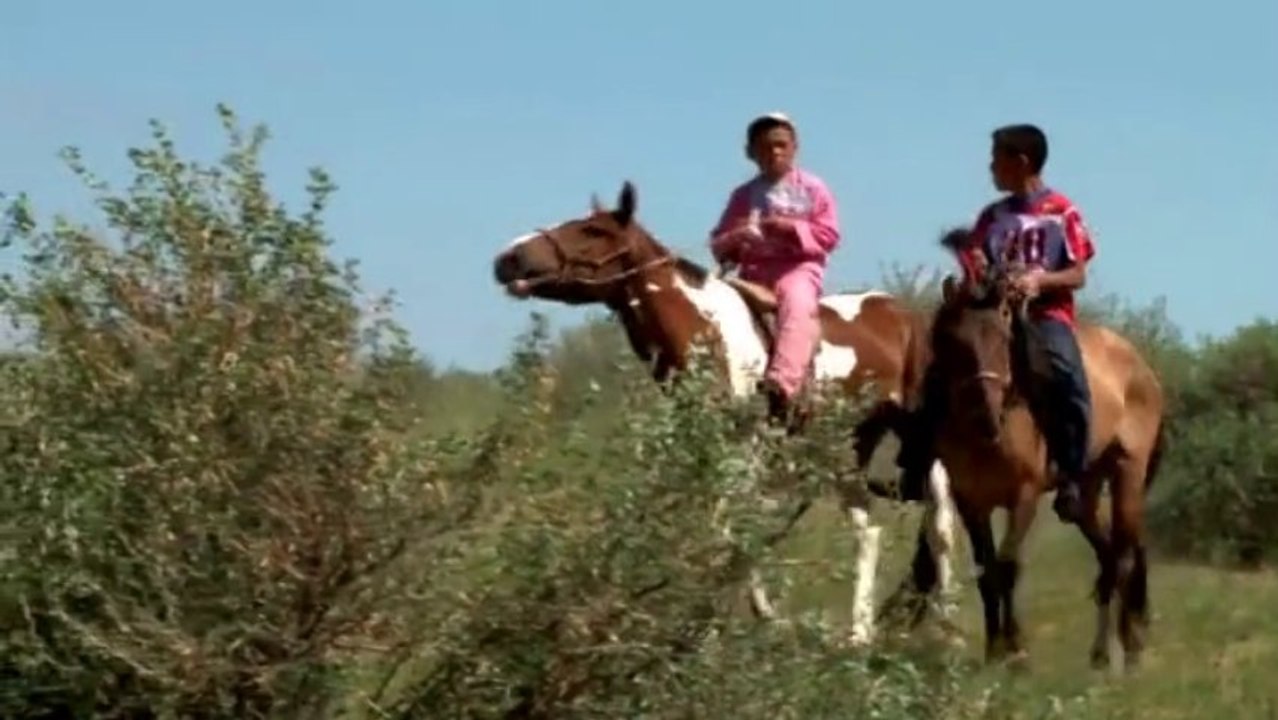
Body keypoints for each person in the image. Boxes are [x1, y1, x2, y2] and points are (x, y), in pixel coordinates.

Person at [896, 123, 1095, 525]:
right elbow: (975, 261)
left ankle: (1072, 477)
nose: (990, 168)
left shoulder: (1062, 212)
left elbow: (1077, 274)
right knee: (936, 370)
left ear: (1021, 162)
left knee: (1069, 380)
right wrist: (969, 280)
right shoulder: (993, 215)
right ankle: (915, 464)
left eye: (996, 159)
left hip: (1043, 315)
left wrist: (1037, 281)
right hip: (990, 313)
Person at [707, 112, 841, 410]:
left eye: (781, 145)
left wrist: (791, 227)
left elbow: (829, 235)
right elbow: (719, 243)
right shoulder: (743, 196)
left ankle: (783, 382)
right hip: (752, 271)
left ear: (795, 147)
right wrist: (736, 237)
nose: (774, 152)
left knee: (797, 304)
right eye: (765, 147)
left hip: (797, 268)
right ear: (750, 153)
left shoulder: (813, 188)